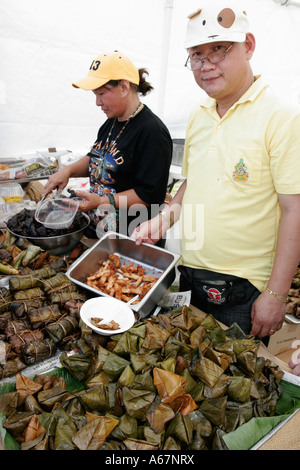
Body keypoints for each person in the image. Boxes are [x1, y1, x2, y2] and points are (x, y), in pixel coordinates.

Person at [132, 1, 300, 349]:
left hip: (245, 290)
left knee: (236, 392)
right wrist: (162, 221)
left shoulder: (282, 117)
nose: (206, 65)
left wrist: (276, 294)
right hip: (190, 274)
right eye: (197, 55)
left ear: (248, 46)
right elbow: (190, 186)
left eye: (219, 50)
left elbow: (294, 210)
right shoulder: (198, 115)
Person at [44, 51, 172, 240]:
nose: (97, 102)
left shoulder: (153, 132)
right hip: (102, 230)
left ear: (124, 87)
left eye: (102, 93)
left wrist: (102, 201)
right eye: (95, 95)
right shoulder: (111, 122)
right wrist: (68, 171)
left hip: (134, 237)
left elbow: (149, 195)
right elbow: (98, 158)